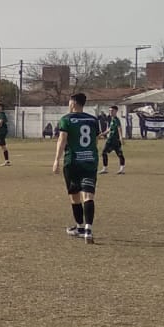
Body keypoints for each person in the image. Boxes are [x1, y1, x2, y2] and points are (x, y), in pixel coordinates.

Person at [53, 93, 101, 244]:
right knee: (88, 196)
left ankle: (80, 227)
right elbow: (95, 140)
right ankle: (88, 229)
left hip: (73, 162)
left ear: (73, 103)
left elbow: (62, 140)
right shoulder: (93, 120)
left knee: (74, 196)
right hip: (90, 161)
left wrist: (56, 160)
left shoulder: (66, 119)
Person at [99, 105, 126, 175]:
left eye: (112, 111)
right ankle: (105, 168)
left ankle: (122, 169)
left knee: (119, 154)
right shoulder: (112, 119)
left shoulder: (116, 119)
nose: (110, 112)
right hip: (110, 140)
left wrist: (121, 138)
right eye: (110, 111)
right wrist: (102, 134)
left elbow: (119, 128)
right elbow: (109, 129)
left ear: (116, 111)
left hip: (115, 140)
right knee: (104, 152)